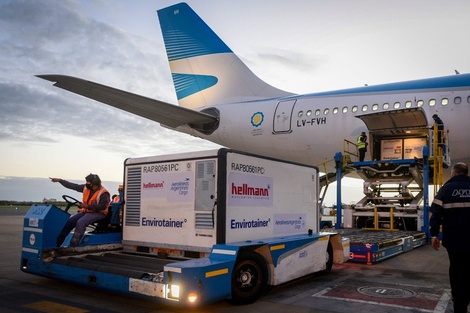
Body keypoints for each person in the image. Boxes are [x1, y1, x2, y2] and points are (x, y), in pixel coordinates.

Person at [430, 162, 470, 313]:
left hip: (454, 241)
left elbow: (435, 214)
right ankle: (465, 298)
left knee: (456, 270)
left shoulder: (446, 190)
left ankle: (459, 303)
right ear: (465, 173)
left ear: (453, 173)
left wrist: (434, 235)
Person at [51, 173, 110, 247]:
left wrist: (87, 206)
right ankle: (57, 244)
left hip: (99, 213)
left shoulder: (104, 193)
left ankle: (73, 245)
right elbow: (72, 186)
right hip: (87, 211)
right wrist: (60, 180)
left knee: (81, 222)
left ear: (94, 183)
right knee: (70, 221)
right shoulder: (86, 188)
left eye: (88, 182)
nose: (87, 184)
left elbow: (102, 207)